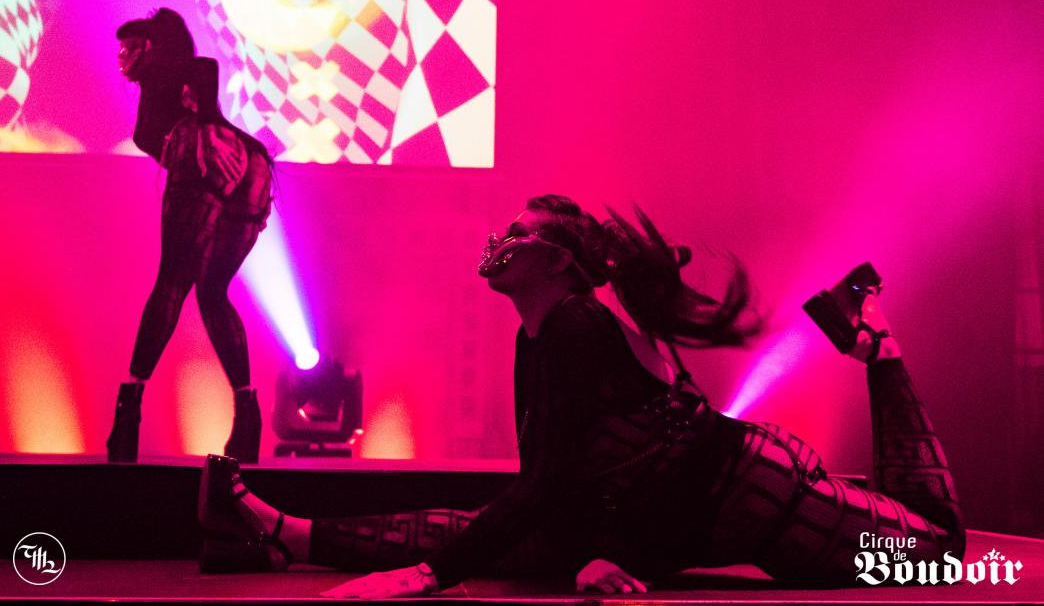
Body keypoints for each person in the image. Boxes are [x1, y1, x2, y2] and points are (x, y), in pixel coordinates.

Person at [196, 195, 965, 595]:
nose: (499, 243)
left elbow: (566, 479)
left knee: (936, 550)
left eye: (518, 233)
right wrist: (599, 549)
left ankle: (876, 342)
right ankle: (282, 534)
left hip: (755, 493)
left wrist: (429, 578)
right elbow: (550, 484)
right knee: (490, 535)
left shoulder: (577, 325)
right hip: (676, 521)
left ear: (558, 262)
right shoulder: (536, 337)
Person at [106, 9, 274, 464]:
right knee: (212, 292)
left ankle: (128, 412)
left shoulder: (166, 77)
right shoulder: (171, 82)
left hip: (205, 153)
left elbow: (201, 74)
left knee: (172, 283)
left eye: (132, 47)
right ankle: (247, 417)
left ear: (152, 46)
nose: (122, 57)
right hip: (249, 163)